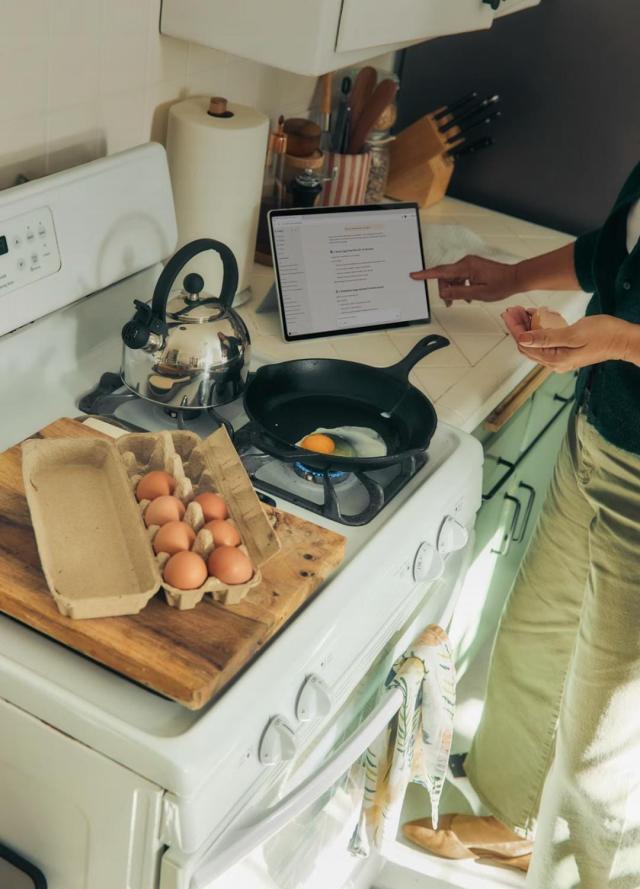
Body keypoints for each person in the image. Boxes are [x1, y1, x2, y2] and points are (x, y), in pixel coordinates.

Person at [405, 163, 640, 889]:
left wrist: (623, 342)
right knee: (535, 641)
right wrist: (509, 278)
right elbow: (618, 250)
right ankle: (513, 822)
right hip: (601, 432)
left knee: (602, 752)